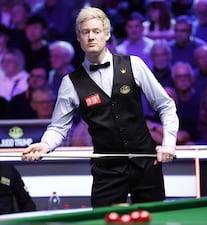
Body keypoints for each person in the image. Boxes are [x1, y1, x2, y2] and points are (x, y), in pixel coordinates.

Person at [23, 7, 179, 207]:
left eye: (96, 31)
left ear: (107, 34)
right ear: (78, 37)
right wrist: (44, 144)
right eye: (85, 32)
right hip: (107, 170)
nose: (91, 37)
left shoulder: (134, 65)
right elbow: (58, 127)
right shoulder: (70, 82)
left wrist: (169, 143)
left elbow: (165, 105)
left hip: (146, 164)